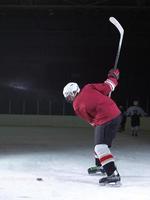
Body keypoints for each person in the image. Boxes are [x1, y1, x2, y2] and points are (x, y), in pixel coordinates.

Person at [63, 69, 122, 185]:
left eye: (69, 96)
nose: (69, 99)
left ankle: (112, 174)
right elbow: (108, 86)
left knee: (100, 147)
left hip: (105, 119)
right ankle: (101, 166)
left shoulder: (76, 106)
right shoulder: (88, 87)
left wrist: (98, 122)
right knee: (100, 145)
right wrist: (113, 76)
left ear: (74, 92)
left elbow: (91, 121)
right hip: (116, 114)